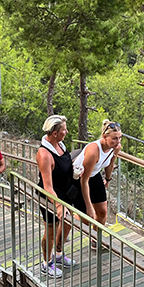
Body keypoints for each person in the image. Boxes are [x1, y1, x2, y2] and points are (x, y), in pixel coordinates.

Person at [36, 114, 81, 277]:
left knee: (68, 223)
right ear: (54, 133)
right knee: (51, 230)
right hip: (50, 197)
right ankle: (46, 263)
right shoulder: (44, 154)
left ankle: (59, 254)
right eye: (64, 130)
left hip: (66, 192)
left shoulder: (60, 144)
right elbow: (48, 186)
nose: (67, 132)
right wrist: (58, 205)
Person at [73, 119, 122, 230]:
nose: (118, 141)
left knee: (102, 212)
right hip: (78, 177)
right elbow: (84, 181)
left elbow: (110, 164)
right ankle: (67, 221)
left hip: (94, 175)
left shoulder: (116, 147)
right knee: (86, 217)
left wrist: (108, 179)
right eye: (114, 138)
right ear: (104, 137)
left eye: (120, 138)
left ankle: (95, 239)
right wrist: (89, 206)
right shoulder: (93, 151)